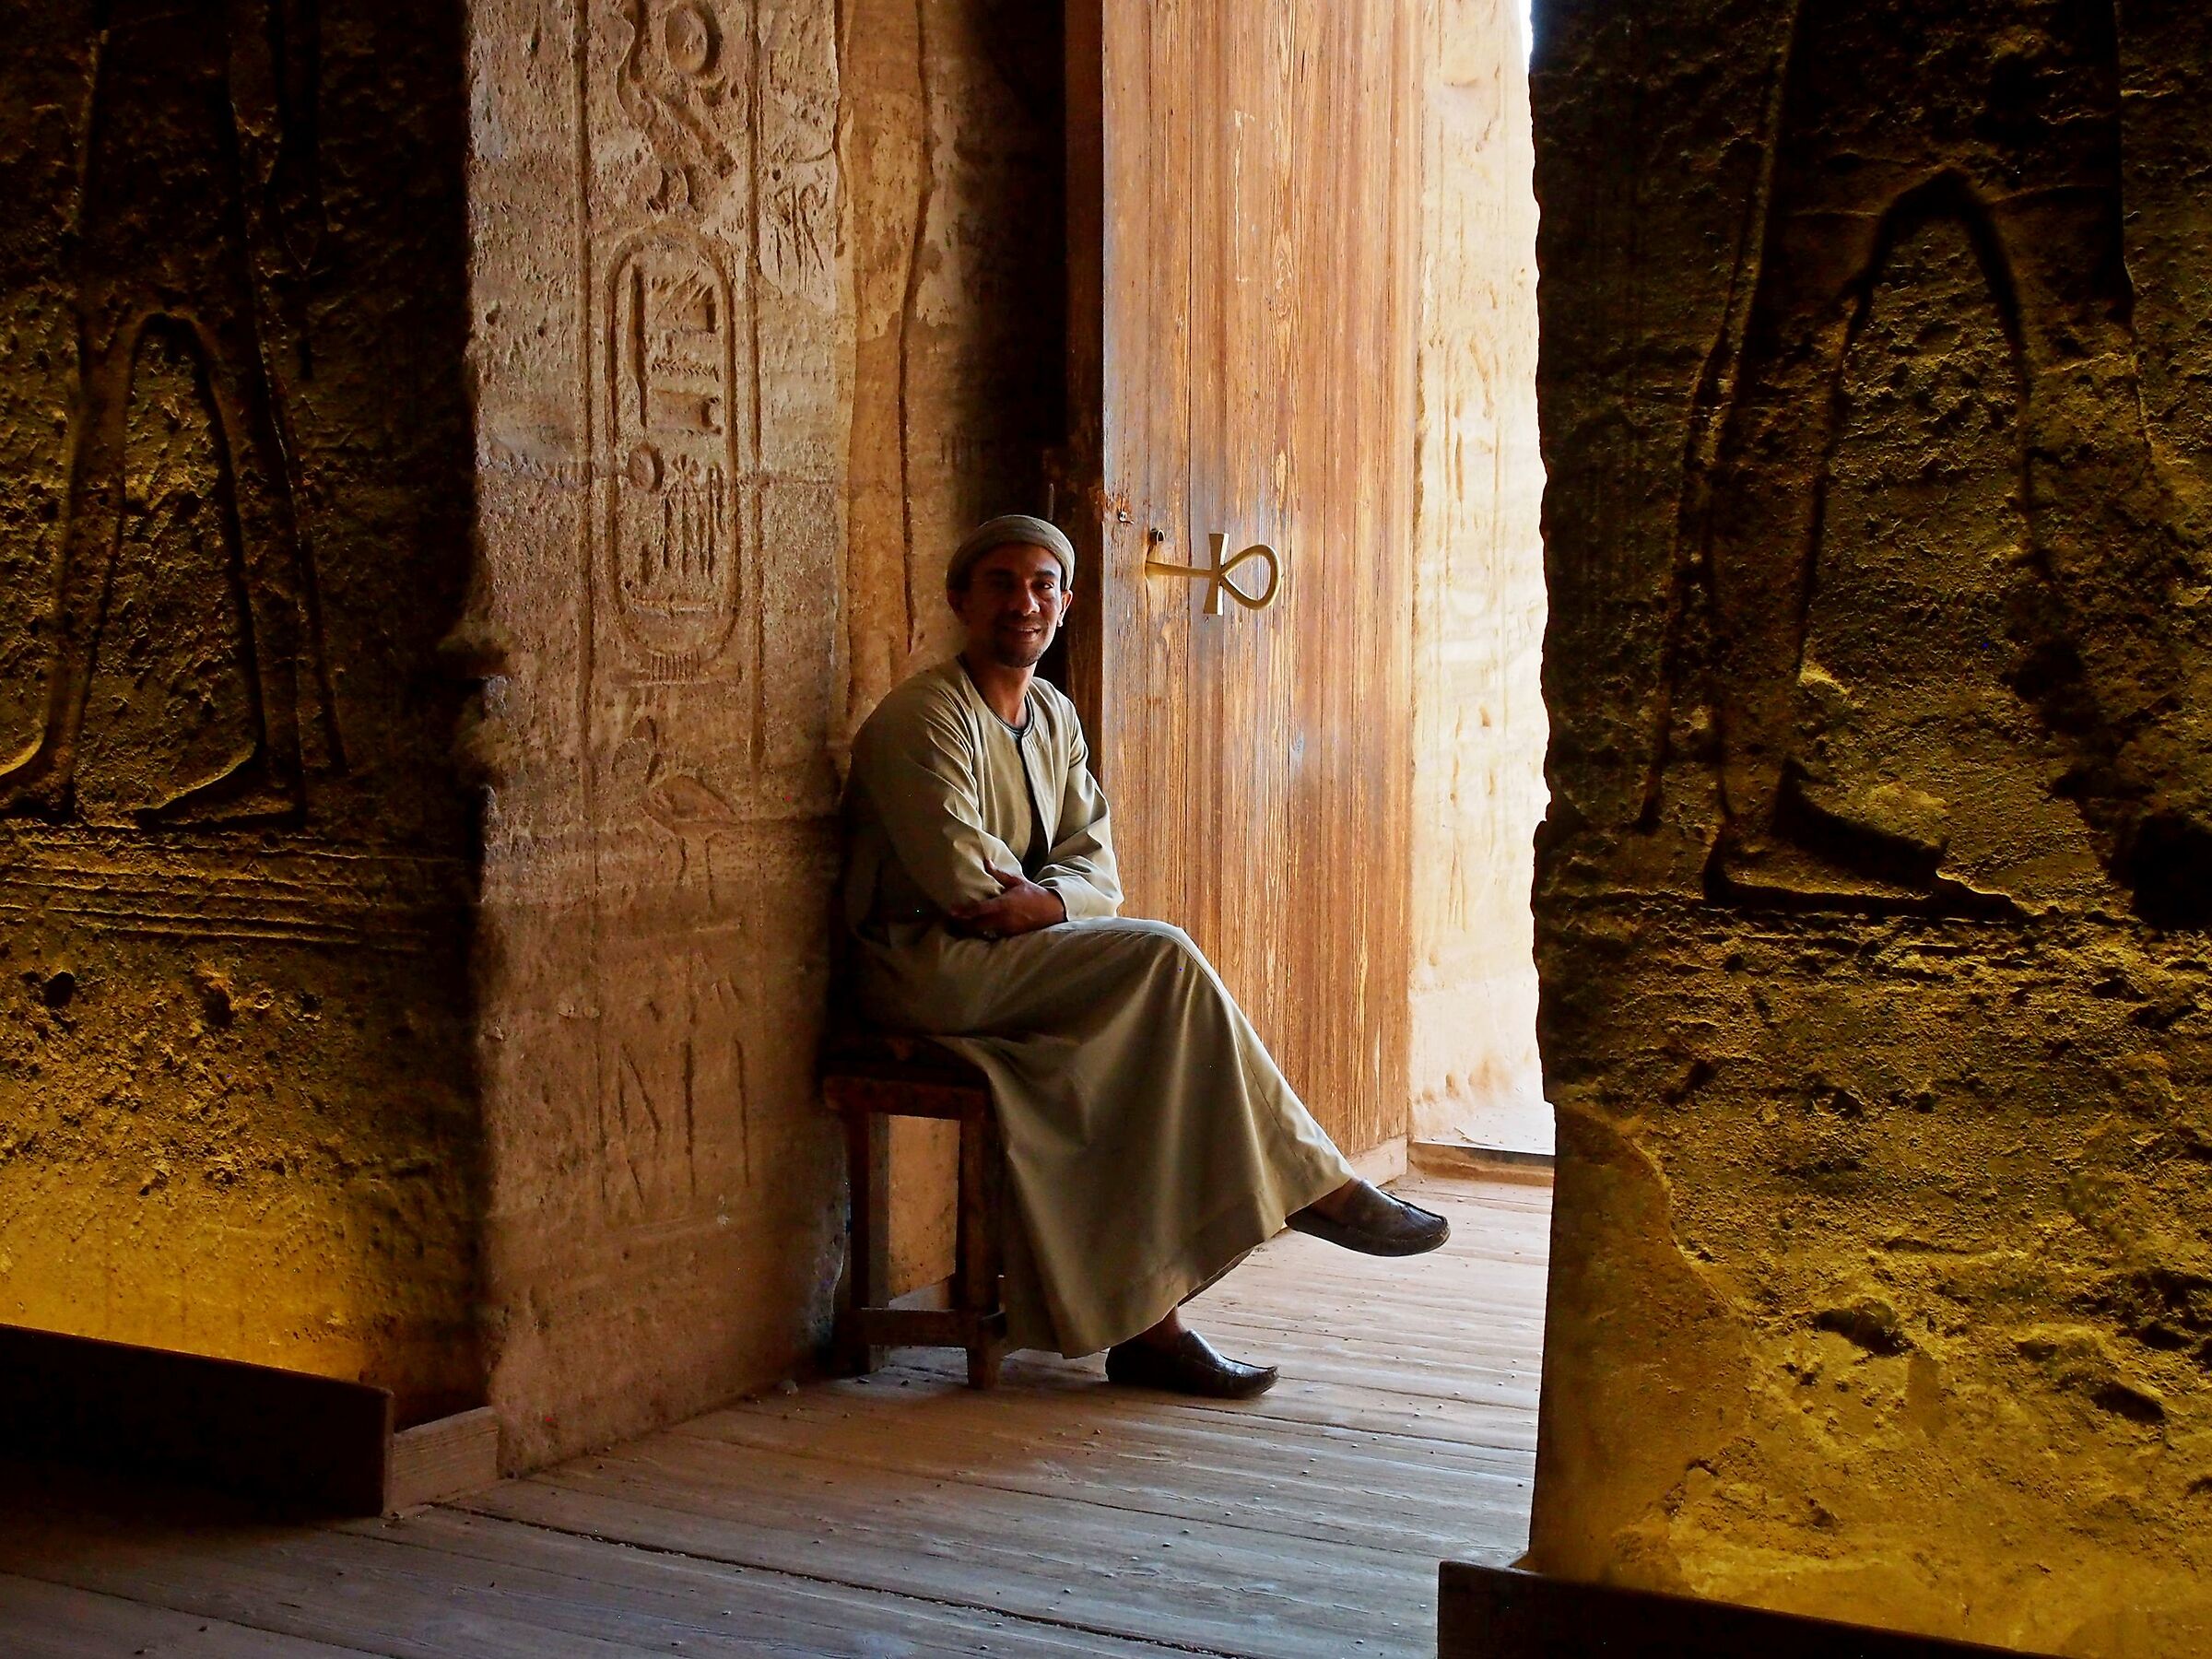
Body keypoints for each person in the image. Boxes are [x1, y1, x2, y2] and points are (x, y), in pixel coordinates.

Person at [841, 512, 1447, 1399]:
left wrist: (1045, 900)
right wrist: (1041, 901)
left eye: (1043, 585)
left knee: (1130, 1052)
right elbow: (960, 881)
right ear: (960, 600)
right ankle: (1315, 1184)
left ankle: (1148, 1329)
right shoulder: (922, 719)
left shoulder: (1052, 714)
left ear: (1067, 603)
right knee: (1162, 958)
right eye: (1002, 583)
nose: (1025, 602)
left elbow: (1097, 867)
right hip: (927, 969)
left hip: (1022, 958)